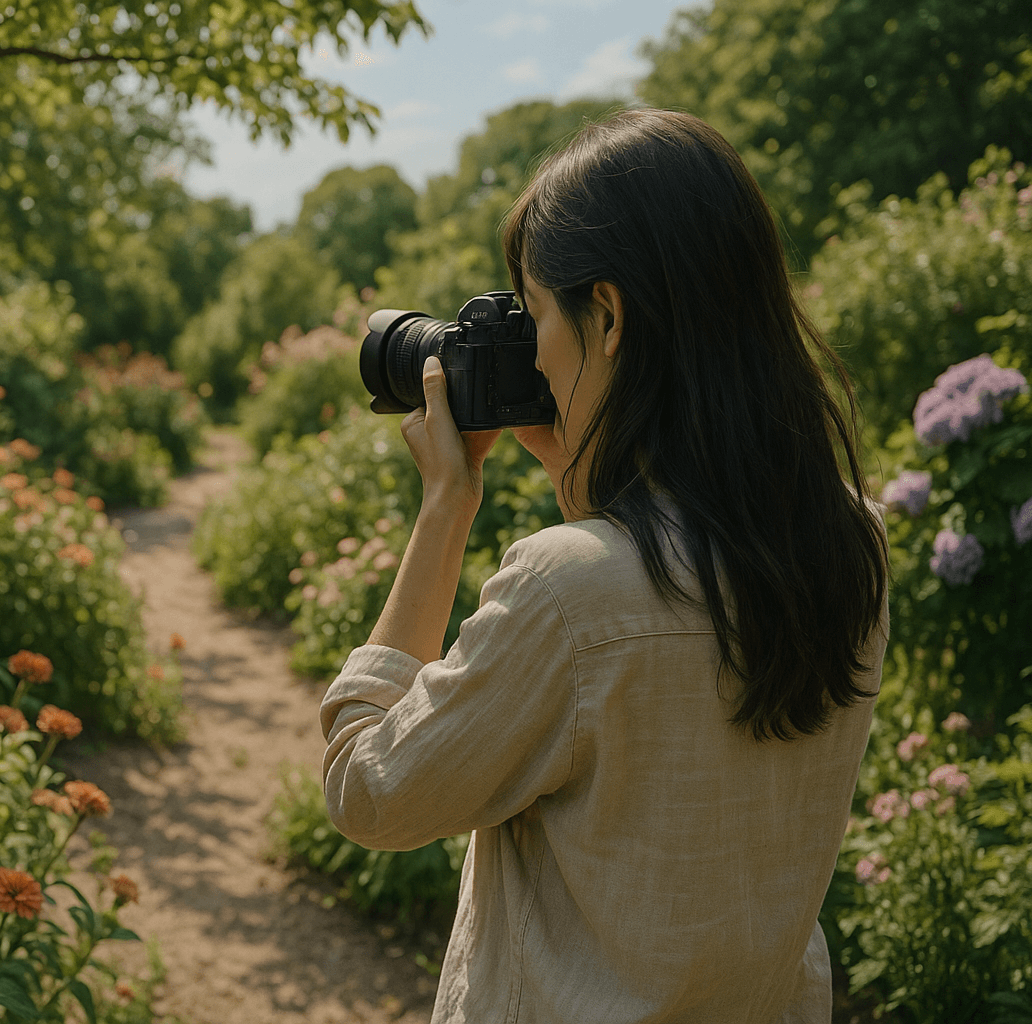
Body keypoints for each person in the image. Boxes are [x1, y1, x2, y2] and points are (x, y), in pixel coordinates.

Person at [319, 109, 890, 1022]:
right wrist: (581, 466)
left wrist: (444, 508)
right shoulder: (847, 546)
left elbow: (369, 791)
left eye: (538, 314)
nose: (533, 355)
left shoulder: (569, 591)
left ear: (610, 315)